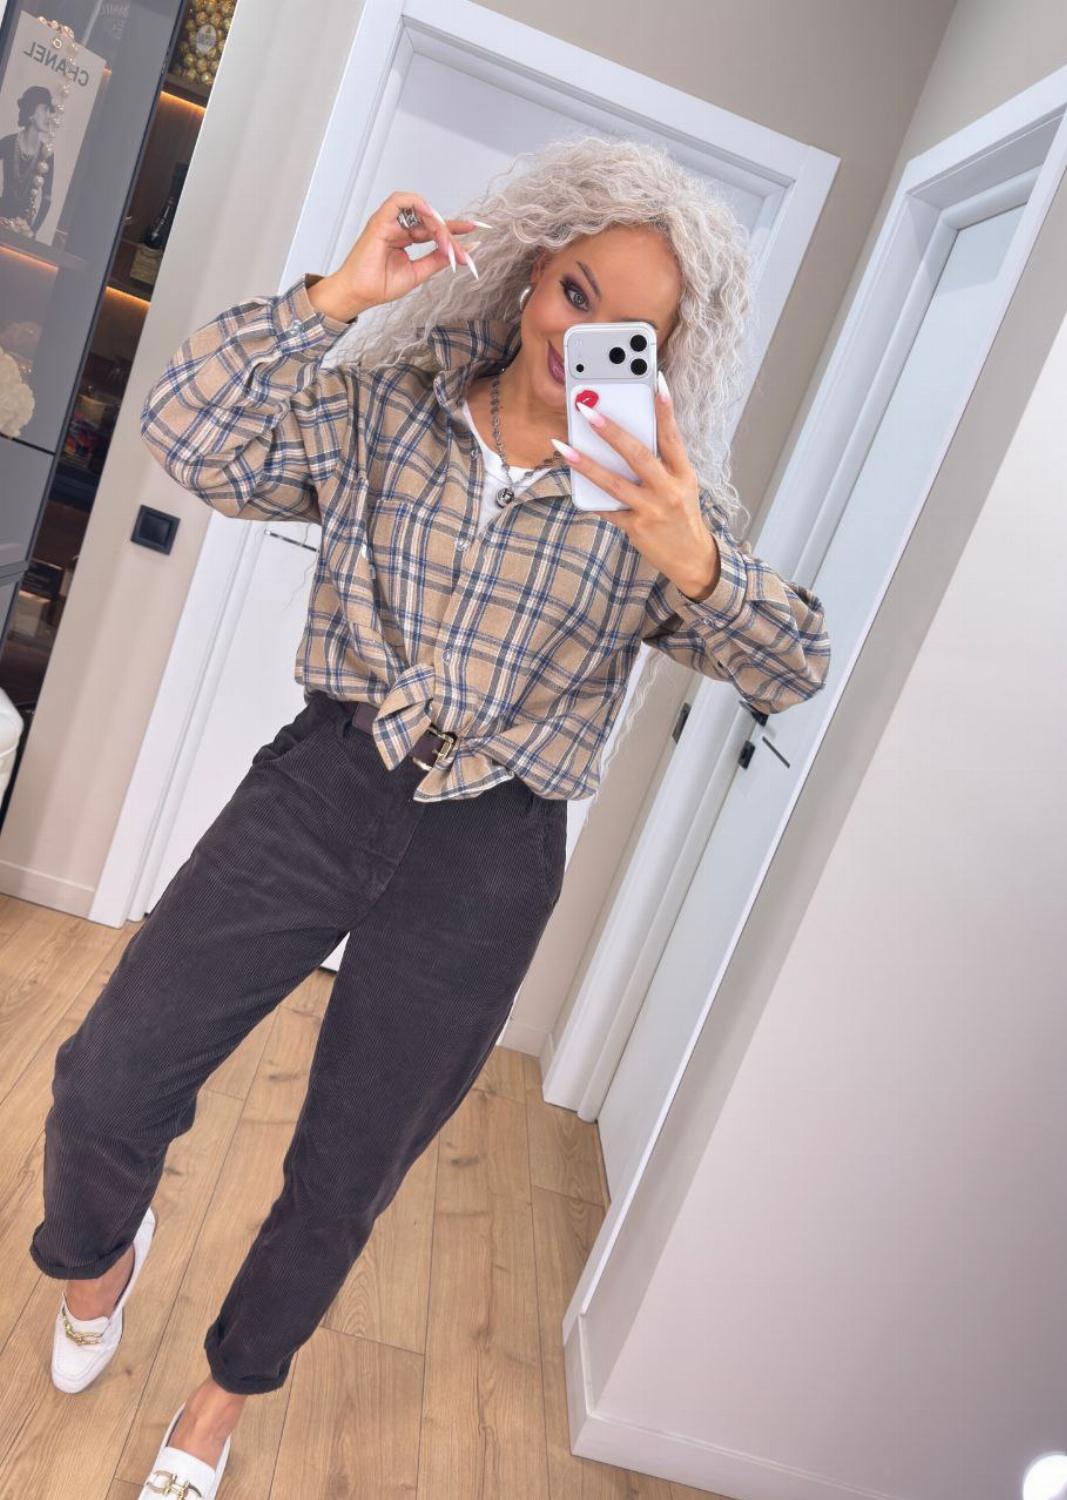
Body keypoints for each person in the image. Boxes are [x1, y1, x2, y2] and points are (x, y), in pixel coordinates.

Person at [28, 134, 830, 1498]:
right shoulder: (384, 408)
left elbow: (795, 664)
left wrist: (694, 558)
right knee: (110, 1076)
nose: (583, 340)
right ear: (531, 272)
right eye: (576, 293)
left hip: (489, 852)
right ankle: (99, 1264)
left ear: (664, 360)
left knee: (350, 1165)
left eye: (632, 333)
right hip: (323, 783)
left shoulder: (652, 502)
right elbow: (188, 434)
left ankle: (218, 1405)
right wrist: (337, 299)